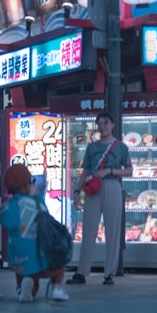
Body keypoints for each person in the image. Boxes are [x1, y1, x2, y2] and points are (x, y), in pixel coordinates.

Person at [66, 112, 133, 286]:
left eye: (105, 123)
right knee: (88, 229)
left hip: (112, 186)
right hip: (93, 187)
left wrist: (109, 171)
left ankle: (109, 273)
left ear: (112, 125)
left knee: (113, 230)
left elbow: (129, 171)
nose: (102, 127)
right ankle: (82, 272)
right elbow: (86, 171)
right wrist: (76, 191)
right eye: (99, 124)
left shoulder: (121, 147)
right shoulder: (92, 147)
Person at [0, 164, 69, 303]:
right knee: (59, 264)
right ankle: (56, 288)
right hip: (42, 259)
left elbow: (4, 220)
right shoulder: (39, 201)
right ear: (29, 183)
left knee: (25, 274)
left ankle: (22, 288)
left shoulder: (10, 206)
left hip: (19, 260)